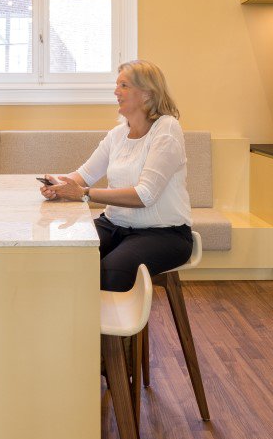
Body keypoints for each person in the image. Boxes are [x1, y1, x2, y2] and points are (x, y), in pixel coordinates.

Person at [40, 60, 192, 291]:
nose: (115, 91)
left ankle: (106, 328)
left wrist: (84, 194)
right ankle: (72, 327)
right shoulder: (118, 134)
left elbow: (145, 195)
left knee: (110, 272)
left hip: (164, 234)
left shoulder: (167, 129)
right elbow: (84, 174)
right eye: (117, 85)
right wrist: (58, 185)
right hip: (114, 225)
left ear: (147, 94)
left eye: (124, 85)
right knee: (66, 257)